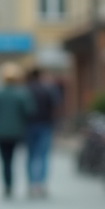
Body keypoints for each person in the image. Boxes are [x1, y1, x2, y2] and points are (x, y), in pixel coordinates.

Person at [0, 63, 33, 198]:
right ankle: (12, 183)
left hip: (0, 132)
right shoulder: (21, 94)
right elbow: (29, 111)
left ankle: (7, 185)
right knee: (13, 158)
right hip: (16, 132)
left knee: (4, 160)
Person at [24, 67, 61, 198]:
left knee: (30, 155)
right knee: (43, 155)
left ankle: (31, 183)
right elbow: (56, 106)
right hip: (45, 124)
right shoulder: (48, 89)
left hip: (28, 126)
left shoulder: (25, 89)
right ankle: (41, 184)